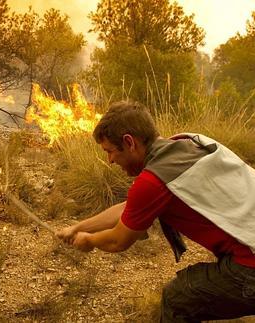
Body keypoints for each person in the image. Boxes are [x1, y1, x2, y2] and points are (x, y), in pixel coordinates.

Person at [56, 101, 255, 322]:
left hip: (251, 267)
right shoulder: (188, 144)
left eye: (110, 151)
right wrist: (78, 227)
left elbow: (117, 241)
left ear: (129, 142)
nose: (110, 160)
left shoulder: (154, 181)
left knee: (178, 297)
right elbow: (130, 207)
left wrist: (89, 241)